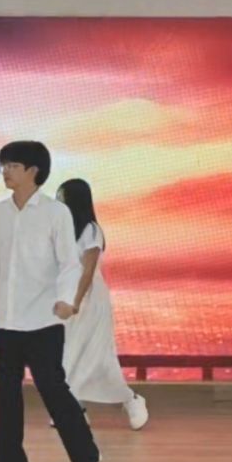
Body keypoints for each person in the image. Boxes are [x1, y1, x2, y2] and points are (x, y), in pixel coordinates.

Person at [0, 141, 102, 462]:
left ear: (33, 171)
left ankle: (87, 461)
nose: (5, 172)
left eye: (13, 166)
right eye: (3, 165)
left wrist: (66, 300)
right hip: (7, 320)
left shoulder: (56, 213)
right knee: (6, 395)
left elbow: (69, 263)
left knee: (53, 390)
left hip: (43, 319)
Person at [56, 178, 149, 431]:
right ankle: (74, 408)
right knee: (68, 354)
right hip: (67, 298)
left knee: (98, 357)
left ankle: (131, 399)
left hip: (89, 299)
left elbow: (87, 271)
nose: (58, 202)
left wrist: (76, 301)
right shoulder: (64, 231)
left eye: (62, 197)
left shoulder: (91, 230)